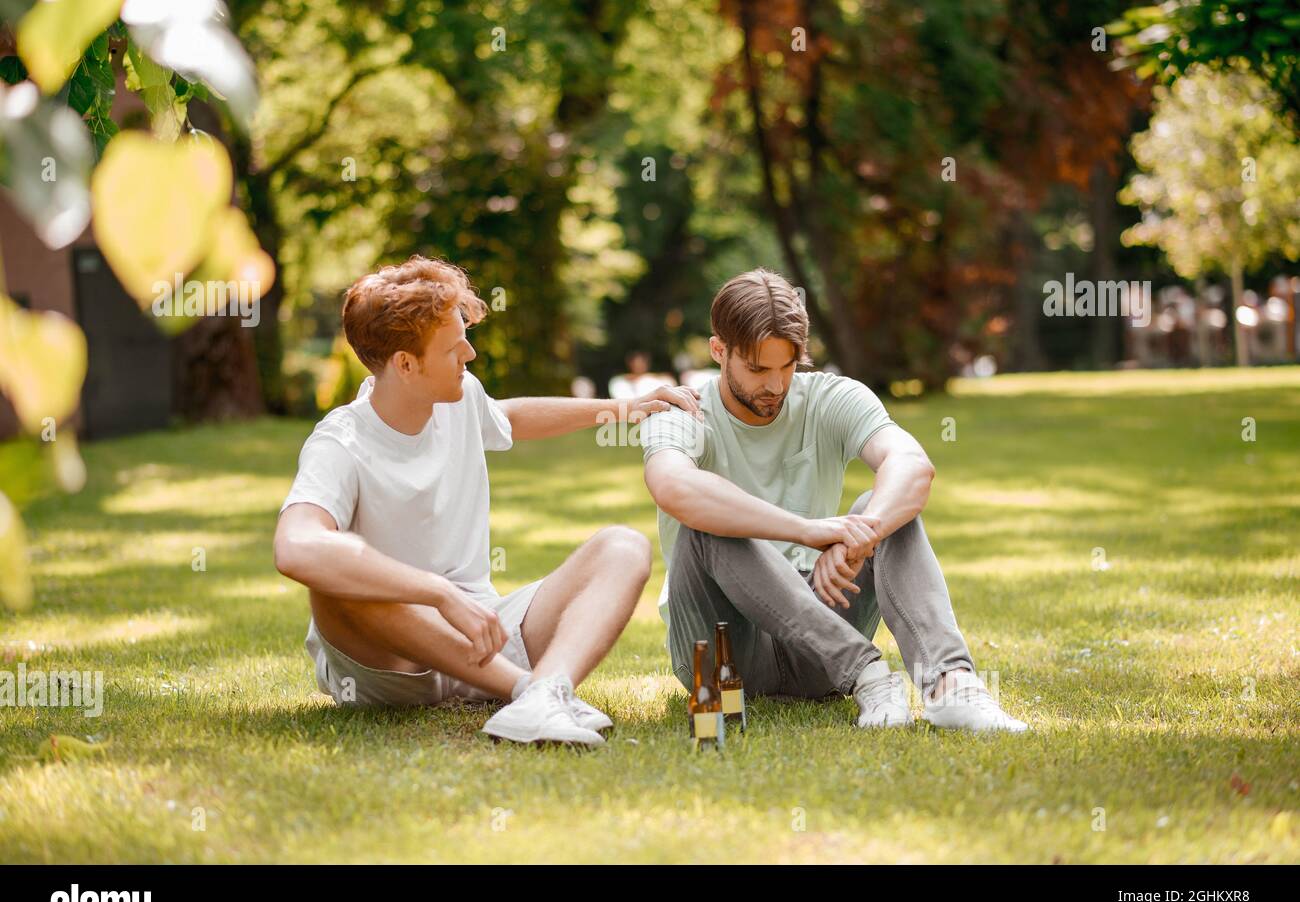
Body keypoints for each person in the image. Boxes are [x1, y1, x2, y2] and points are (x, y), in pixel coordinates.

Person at [274, 255, 700, 747]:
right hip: (391, 667)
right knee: (335, 575)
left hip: (486, 642)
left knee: (623, 546)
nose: (470, 355)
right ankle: (527, 691)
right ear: (406, 365)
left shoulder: (459, 398)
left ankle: (547, 693)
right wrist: (437, 593)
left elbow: (508, 419)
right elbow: (296, 547)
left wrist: (623, 408)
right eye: (455, 347)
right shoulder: (341, 443)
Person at [639, 267, 1028, 732]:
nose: (776, 386)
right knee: (705, 523)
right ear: (719, 350)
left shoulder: (831, 396)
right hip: (725, 659)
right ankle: (870, 676)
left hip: (821, 627)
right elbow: (674, 487)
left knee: (880, 504)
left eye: (787, 366)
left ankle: (951, 687)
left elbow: (912, 465)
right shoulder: (682, 410)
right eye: (758, 369)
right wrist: (809, 531)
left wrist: (861, 536)